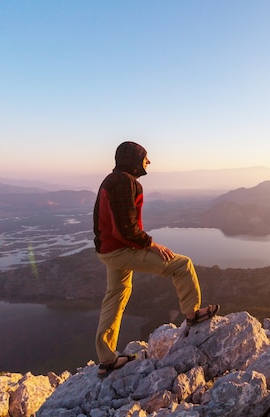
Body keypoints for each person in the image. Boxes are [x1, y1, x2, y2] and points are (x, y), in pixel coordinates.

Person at [93, 141, 219, 378]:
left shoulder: (112, 180)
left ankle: (107, 359)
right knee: (182, 265)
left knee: (116, 296)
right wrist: (150, 244)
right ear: (133, 159)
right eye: (145, 157)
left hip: (108, 251)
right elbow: (125, 229)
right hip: (120, 249)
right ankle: (192, 315)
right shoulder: (124, 183)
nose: (148, 162)